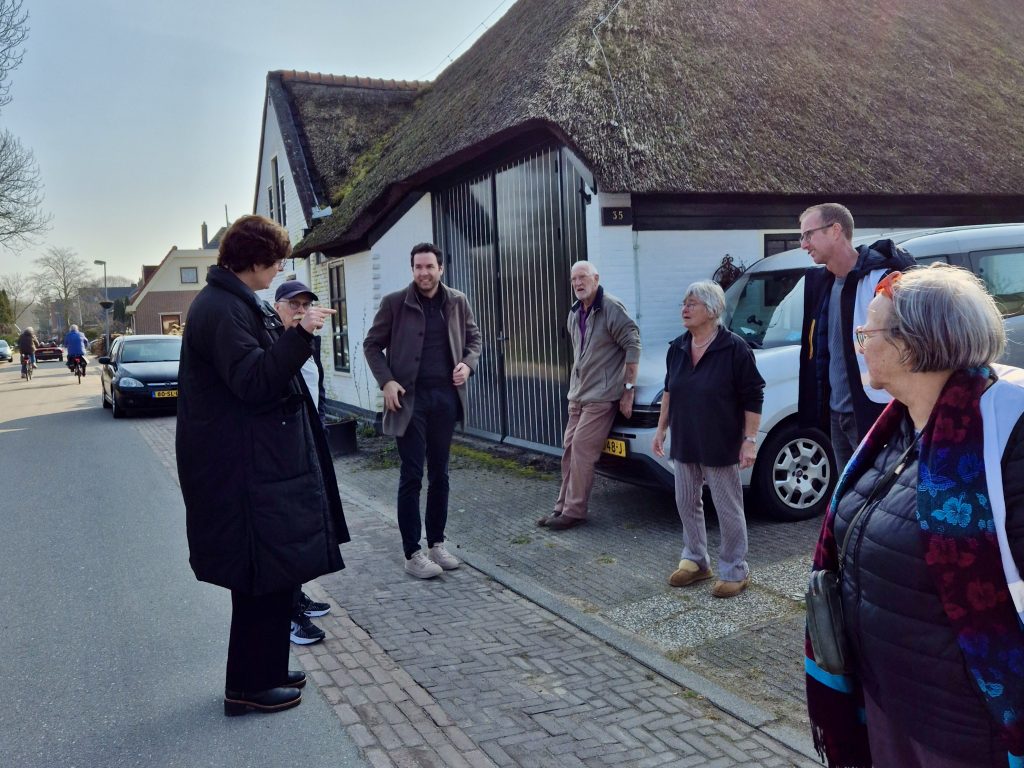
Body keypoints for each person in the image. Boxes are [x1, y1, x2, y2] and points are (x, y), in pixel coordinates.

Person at [806, 264, 1024, 768]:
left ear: (914, 345)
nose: (859, 344)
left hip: (965, 734)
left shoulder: (1007, 438)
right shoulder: (896, 430)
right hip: (888, 706)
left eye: (867, 332)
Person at [176, 214, 350, 717]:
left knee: (273, 574)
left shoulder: (234, 303)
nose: (279, 269)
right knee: (257, 578)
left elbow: (261, 364)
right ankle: (247, 687)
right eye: (274, 261)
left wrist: (292, 330)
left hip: (259, 467)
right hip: (242, 473)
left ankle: (269, 669)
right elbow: (254, 381)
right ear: (252, 261)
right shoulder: (221, 310)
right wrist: (300, 337)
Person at [363, 242, 482, 579]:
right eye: (418, 267)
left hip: (445, 399)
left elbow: (475, 340)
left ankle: (437, 545)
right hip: (408, 402)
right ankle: (412, 553)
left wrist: (467, 365)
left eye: (430, 267)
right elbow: (372, 345)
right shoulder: (394, 303)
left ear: (440, 269)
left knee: (441, 474)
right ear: (412, 269)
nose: (424, 273)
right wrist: (386, 381)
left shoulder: (457, 301)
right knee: (412, 475)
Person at [652, 281, 765, 598]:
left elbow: (753, 395)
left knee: (727, 508)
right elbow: (670, 391)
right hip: (685, 438)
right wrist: (661, 429)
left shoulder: (734, 348)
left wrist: (750, 439)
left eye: (692, 304)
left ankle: (734, 569)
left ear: (712, 310)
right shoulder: (677, 347)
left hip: (720, 440)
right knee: (685, 502)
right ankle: (696, 560)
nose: (684, 309)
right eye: (683, 303)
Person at [797, 203, 914, 472]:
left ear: (835, 230)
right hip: (837, 415)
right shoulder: (822, 283)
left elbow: (902, 343)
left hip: (875, 412)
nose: (803, 244)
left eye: (808, 235)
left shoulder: (880, 278)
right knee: (848, 498)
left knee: (876, 497)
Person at [538, 260, 641, 531]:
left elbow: (633, 343)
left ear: (596, 278)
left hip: (601, 396)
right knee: (569, 449)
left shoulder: (610, 307)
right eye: (573, 279)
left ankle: (574, 511)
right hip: (579, 396)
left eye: (582, 277)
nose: (578, 283)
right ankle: (560, 507)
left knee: (582, 448)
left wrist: (628, 390)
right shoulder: (575, 313)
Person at [273, 279, 335, 646]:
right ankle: (289, 614)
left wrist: (321, 426)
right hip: (286, 451)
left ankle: (297, 596)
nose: (300, 309)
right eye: (293, 304)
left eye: (305, 304)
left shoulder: (310, 342)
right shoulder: (275, 344)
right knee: (289, 532)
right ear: (277, 307)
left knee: (309, 527)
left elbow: (317, 388)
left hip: (311, 439)